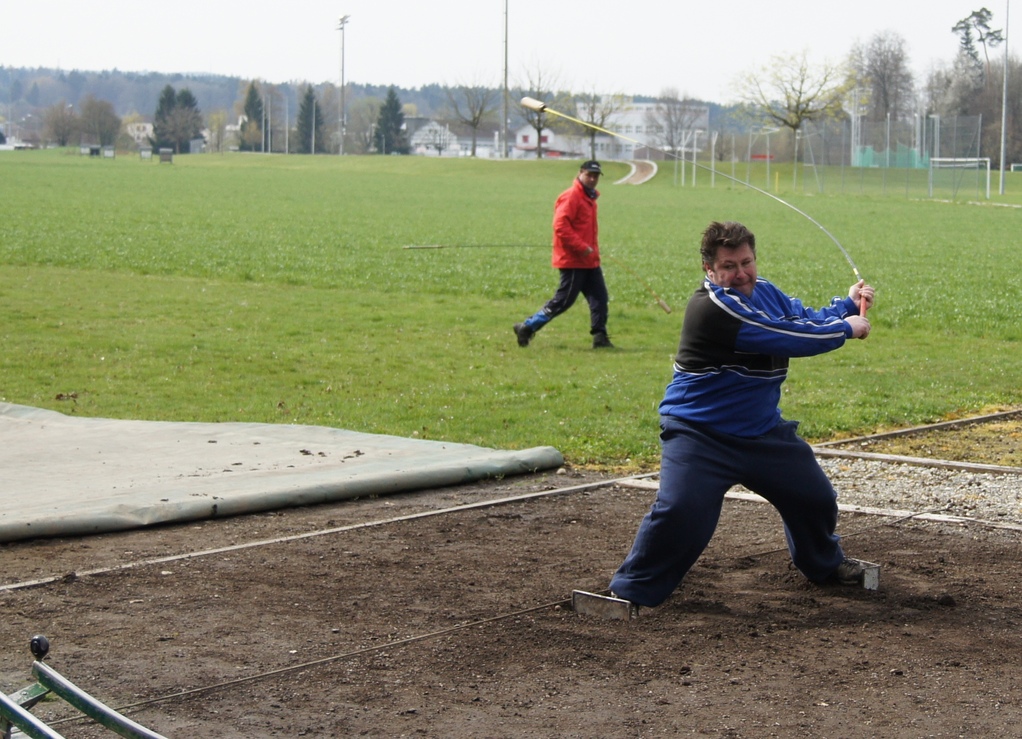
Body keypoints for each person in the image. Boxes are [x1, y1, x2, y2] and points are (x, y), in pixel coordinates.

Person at [608, 220, 875, 609]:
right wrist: (845, 329)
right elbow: (786, 337)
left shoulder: (765, 292)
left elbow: (802, 319)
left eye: (747, 262)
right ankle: (630, 591)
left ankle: (825, 566)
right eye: (729, 266)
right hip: (700, 434)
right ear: (709, 269)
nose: (741, 274)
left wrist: (846, 306)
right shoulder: (713, 309)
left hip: (762, 431)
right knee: (682, 511)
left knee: (815, 498)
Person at [514, 160, 613, 349]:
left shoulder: (590, 198)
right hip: (573, 260)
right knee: (564, 301)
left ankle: (600, 337)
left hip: (589, 261)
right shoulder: (572, 196)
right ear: (580, 173)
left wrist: (591, 252)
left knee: (600, 298)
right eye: (589, 175)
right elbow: (560, 226)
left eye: (596, 176)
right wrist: (582, 247)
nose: (593, 179)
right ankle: (527, 327)